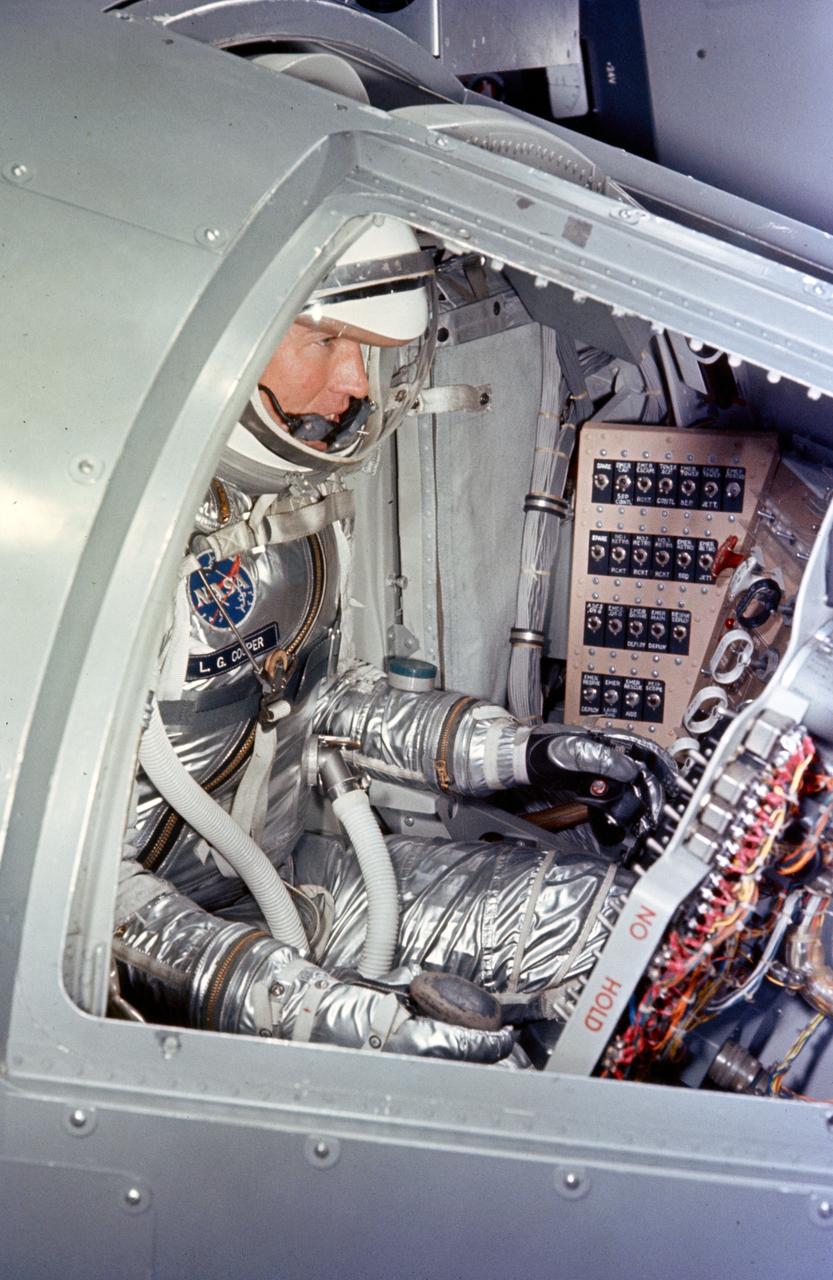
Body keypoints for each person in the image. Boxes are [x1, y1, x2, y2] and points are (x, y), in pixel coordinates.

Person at [115, 216, 670, 1063]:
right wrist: (341, 1016)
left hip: (296, 885)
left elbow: (317, 704)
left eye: (366, 349)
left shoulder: (282, 512)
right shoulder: (91, 542)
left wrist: (520, 753)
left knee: (620, 930)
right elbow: (76, 902)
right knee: (471, 1071)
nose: (358, 382)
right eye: (330, 338)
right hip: (161, 969)